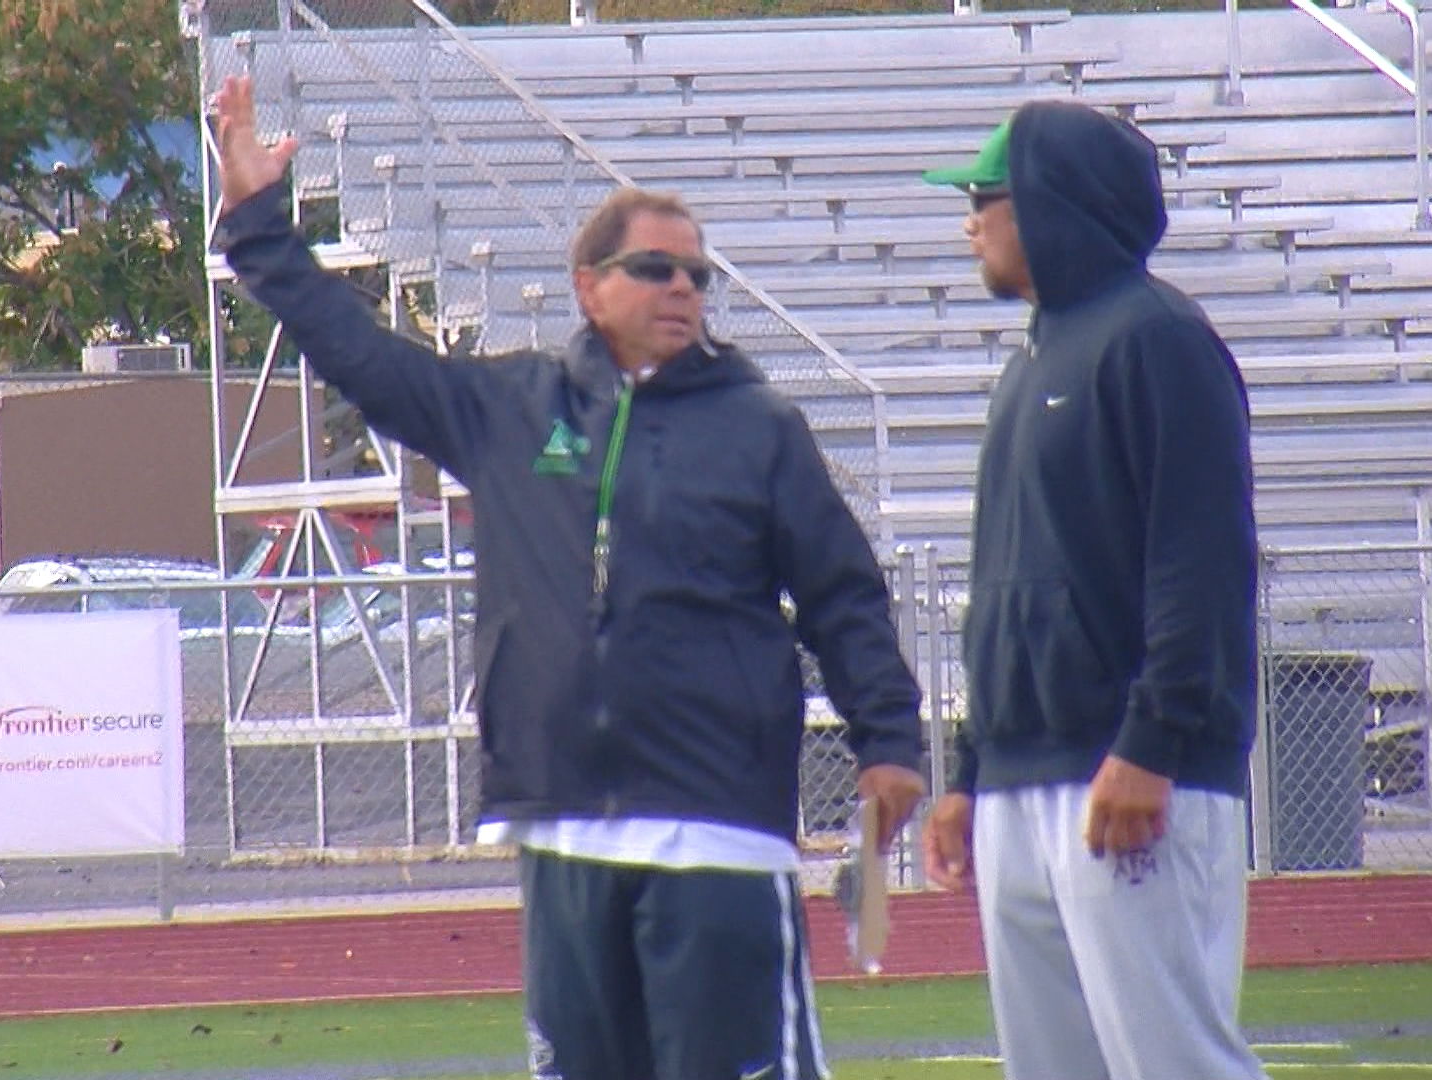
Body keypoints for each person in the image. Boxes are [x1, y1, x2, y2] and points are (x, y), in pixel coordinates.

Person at [211, 74, 927, 1080]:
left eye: (697, 274)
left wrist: (888, 741)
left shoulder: (760, 428)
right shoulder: (511, 406)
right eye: (656, 268)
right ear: (590, 286)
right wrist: (257, 223)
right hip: (563, 829)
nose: (683, 289)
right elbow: (359, 354)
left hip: (715, 830)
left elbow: (843, 596)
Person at [917, 101, 1269, 1080]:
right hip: (1025, 778)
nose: (968, 220)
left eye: (984, 196)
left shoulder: (1158, 339)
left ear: (1048, 201)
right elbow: (1003, 587)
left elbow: (1201, 559)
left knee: (1175, 1064)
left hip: (1130, 774)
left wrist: (1152, 741)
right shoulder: (1030, 361)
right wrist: (972, 772)